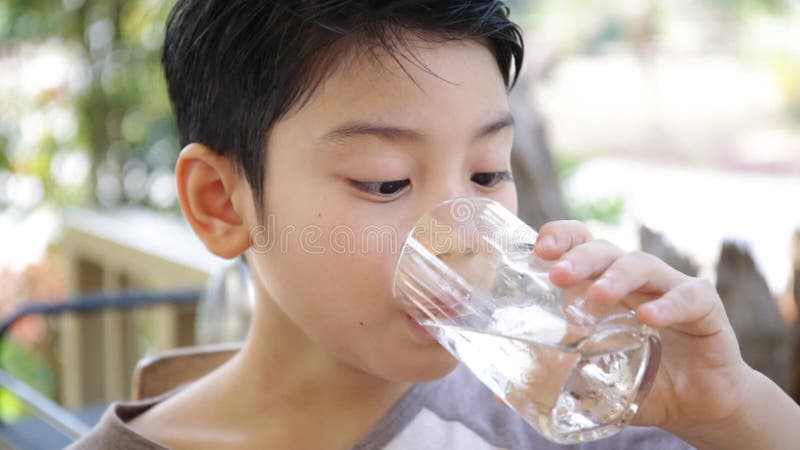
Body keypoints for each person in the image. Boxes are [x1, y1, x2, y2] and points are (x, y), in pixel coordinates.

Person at [69, 1, 800, 449]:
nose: (463, 232)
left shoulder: (573, 417)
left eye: (487, 173)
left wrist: (734, 414)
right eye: (385, 181)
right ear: (223, 204)